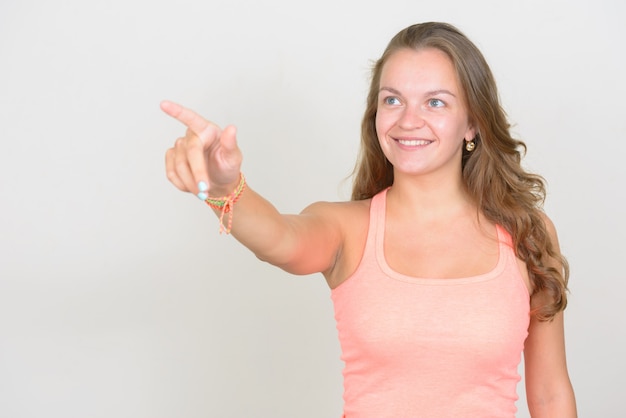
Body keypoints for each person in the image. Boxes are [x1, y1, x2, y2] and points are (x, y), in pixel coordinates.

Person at [162, 22, 576, 417]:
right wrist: (222, 190)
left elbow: (550, 393)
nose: (408, 120)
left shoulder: (529, 234)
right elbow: (280, 240)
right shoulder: (347, 228)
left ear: (472, 123)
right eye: (392, 99)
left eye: (435, 102)